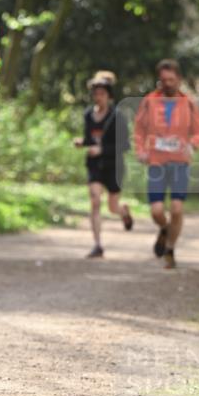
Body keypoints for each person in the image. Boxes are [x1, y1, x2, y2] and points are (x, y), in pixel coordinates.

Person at [134, 59, 199, 269]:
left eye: (171, 79)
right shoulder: (149, 101)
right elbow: (139, 129)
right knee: (156, 211)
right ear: (159, 80)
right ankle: (165, 229)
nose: (168, 83)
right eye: (164, 80)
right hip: (156, 162)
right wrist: (141, 150)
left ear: (179, 79)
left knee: (176, 209)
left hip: (179, 163)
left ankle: (170, 249)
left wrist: (193, 145)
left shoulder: (189, 103)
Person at [73, 71, 133, 258]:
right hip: (94, 165)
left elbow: (125, 145)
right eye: (95, 94)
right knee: (95, 200)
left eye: (102, 94)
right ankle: (97, 244)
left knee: (112, 207)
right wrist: (83, 142)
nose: (98, 97)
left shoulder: (117, 117)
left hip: (114, 166)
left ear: (109, 96)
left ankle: (123, 212)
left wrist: (102, 150)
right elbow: (92, 139)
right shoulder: (88, 115)